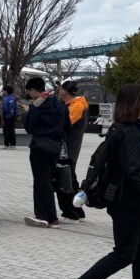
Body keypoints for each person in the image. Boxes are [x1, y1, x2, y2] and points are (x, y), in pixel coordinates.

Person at [62, 84, 140, 279]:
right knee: (124, 253)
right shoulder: (129, 133)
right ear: (136, 103)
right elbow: (134, 173)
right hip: (126, 202)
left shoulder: (122, 128)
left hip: (131, 201)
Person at [23, 76, 71, 228]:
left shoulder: (37, 106)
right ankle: (44, 215)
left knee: (41, 182)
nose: (29, 94)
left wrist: (29, 111)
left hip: (39, 147)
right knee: (47, 180)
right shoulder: (60, 104)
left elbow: (29, 127)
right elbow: (67, 126)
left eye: (29, 91)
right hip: (55, 147)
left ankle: (47, 217)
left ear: (33, 90)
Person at [57, 80, 89, 223]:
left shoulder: (76, 106)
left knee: (65, 181)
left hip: (68, 150)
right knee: (71, 180)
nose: (59, 91)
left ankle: (70, 213)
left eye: (60, 88)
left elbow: (64, 124)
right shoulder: (73, 105)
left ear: (65, 91)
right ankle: (78, 211)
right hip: (69, 150)